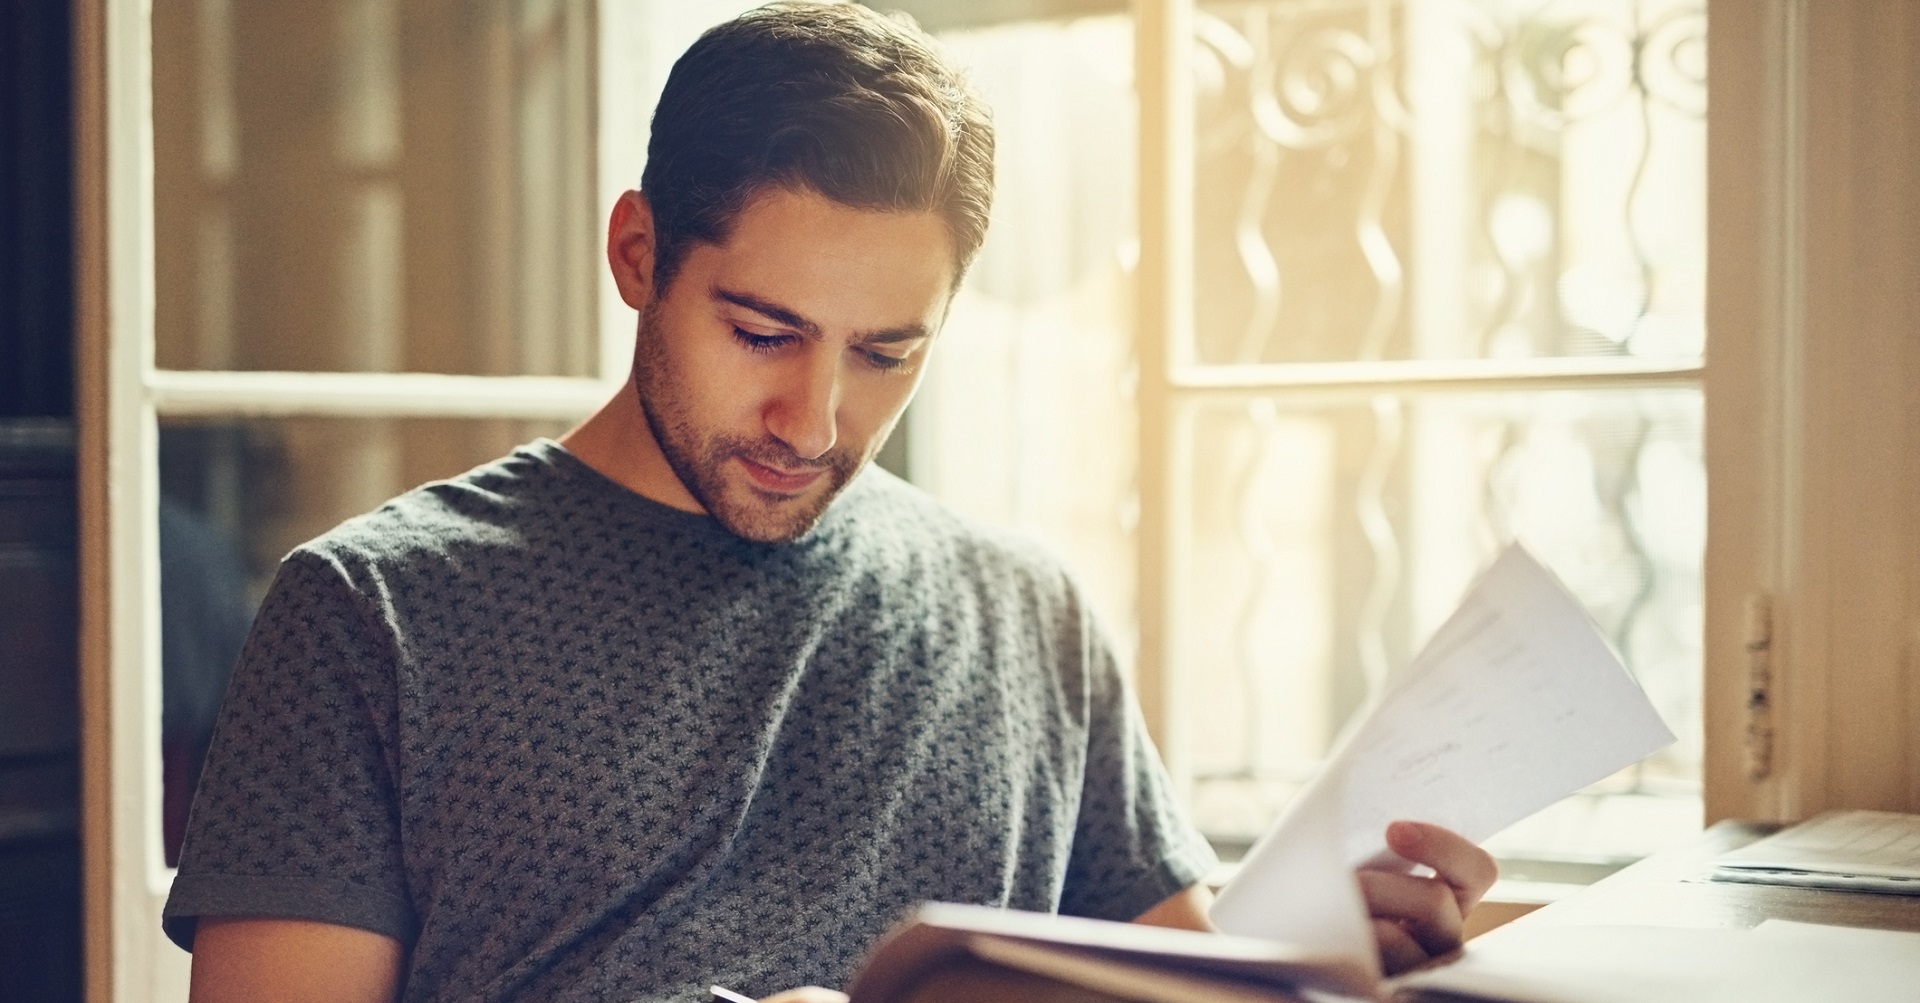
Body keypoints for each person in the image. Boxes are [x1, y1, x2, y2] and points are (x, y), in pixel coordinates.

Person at [163, 4, 1497, 1002]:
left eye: (886, 355)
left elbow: (1177, 975)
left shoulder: (1023, 610)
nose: (816, 420)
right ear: (639, 255)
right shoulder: (374, 616)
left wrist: (1340, 940)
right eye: (762, 333)